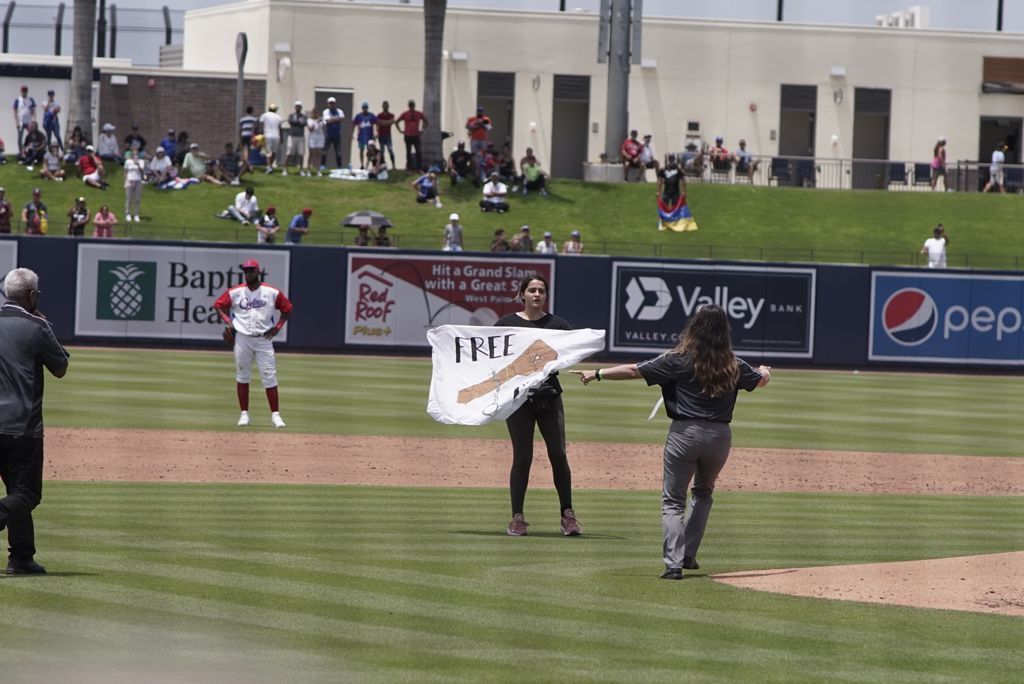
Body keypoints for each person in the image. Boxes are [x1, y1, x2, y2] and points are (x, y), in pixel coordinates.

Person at [571, 304, 770, 578]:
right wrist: (765, 371)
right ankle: (688, 555)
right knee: (703, 494)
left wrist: (597, 374)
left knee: (673, 501)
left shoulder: (677, 358)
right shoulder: (733, 363)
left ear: (695, 327)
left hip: (684, 434)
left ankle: (674, 564)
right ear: (724, 331)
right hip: (720, 438)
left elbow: (632, 370)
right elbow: (760, 381)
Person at [496, 273, 582, 537]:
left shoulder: (557, 325)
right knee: (522, 456)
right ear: (522, 294)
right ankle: (517, 517)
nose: (537, 294)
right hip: (519, 399)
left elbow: (572, 353)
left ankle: (567, 515)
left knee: (558, 454)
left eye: (541, 291)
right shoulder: (506, 324)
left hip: (549, 397)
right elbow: (491, 357)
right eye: (532, 290)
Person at [0, 267, 70, 575]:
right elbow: (61, 367)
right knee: (27, 493)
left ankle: (22, 557)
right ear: (31, 296)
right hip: (21, 426)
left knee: (16, 490)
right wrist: (45, 323)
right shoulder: (36, 326)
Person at [213, 259, 293, 429]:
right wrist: (228, 321)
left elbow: (287, 308)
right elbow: (218, 305)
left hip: (264, 339)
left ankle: (275, 416)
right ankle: (244, 414)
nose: (248, 273)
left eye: (251, 270)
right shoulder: (235, 292)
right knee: (242, 375)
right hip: (242, 338)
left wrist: (277, 327)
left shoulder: (272, 292)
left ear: (258, 271)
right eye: (246, 271)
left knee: (269, 375)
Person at [396, 99, 427, 171]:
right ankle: (409, 167)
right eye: (410, 105)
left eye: (412, 105)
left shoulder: (419, 113)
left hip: (416, 136)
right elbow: (397, 122)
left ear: (414, 106)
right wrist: (400, 130)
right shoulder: (405, 114)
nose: (411, 107)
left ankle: (419, 168)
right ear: (408, 106)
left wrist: (422, 130)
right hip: (408, 136)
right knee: (408, 152)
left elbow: (426, 121)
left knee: (418, 151)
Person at [322, 96, 346, 169]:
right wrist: (336, 119)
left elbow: (342, 119)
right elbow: (327, 121)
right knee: (324, 151)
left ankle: (339, 166)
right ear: (328, 104)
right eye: (330, 103)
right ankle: (322, 165)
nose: (331, 105)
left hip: (337, 134)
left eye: (333, 103)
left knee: (338, 152)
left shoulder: (339, 111)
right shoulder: (326, 111)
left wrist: (332, 119)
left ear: (335, 104)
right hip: (328, 134)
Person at [259, 103, 284, 173]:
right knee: (274, 152)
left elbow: (261, 125)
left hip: (267, 135)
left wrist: (260, 135)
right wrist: (282, 138)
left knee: (268, 152)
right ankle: (270, 166)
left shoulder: (264, 115)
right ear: (275, 110)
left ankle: (268, 167)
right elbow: (280, 128)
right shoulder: (278, 117)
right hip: (276, 136)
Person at [285, 101, 308, 176]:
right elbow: (291, 122)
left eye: (299, 106)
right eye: (297, 106)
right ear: (295, 107)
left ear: (301, 108)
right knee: (288, 153)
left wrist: (297, 122)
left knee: (301, 154)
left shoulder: (303, 116)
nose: (298, 108)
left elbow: (304, 123)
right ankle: (285, 169)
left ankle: (301, 170)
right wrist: (298, 122)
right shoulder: (291, 115)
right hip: (292, 136)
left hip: (301, 136)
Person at [352, 101, 377, 169]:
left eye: (366, 108)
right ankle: (362, 164)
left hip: (370, 136)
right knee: (361, 150)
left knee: (370, 151)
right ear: (362, 108)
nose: (365, 109)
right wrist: (352, 134)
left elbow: (376, 123)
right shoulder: (359, 116)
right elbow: (353, 124)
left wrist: (376, 133)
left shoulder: (371, 115)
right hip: (361, 136)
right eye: (363, 108)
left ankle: (368, 165)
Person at [12, 85, 36, 153]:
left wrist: (34, 120)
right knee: (20, 138)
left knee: (32, 137)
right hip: (21, 122)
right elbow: (15, 111)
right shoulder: (18, 100)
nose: (24, 92)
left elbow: (33, 110)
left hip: (29, 122)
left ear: (27, 92)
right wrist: (16, 122)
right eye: (23, 91)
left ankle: (32, 151)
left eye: (25, 91)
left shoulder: (30, 99)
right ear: (21, 91)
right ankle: (21, 152)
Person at [122, 150, 144, 223]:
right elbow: (125, 171)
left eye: (136, 154)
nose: (135, 155)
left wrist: (137, 164)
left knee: (137, 198)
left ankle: (136, 214)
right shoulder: (128, 162)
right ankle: (127, 213)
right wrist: (125, 180)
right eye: (134, 154)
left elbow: (142, 171)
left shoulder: (141, 161)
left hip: (138, 180)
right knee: (128, 198)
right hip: (130, 180)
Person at [375, 100, 397, 169]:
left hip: (388, 136)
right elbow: (378, 123)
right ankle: (383, 165)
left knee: (390, 149)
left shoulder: (391, 115)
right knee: (382, 151)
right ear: (382, 106)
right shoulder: (379, 115)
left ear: (388, 106)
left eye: (386, 105)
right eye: (384, 105)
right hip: (381, 135)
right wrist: (387, 122)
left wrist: (383, 122)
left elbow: (392, 121)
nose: (385, 107)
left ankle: (393, 165)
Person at [306, 109, 326, 176]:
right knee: (311, 154)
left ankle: (318, 170)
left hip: (320, 138)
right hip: (312, 138)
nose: (315, 114)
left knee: (319, 154)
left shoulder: (322, 120)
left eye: (316, 113)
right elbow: (310, 129)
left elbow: (323, 127)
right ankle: (309, 170)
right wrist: (316, 123)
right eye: (314, 113)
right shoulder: (309, 120)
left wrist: (320, 122)